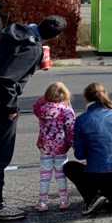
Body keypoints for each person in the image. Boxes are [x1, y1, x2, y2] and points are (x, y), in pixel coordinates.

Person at [0, 14, 67, 221]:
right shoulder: (31, 47)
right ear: (55, 38)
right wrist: (10, 108)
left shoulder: (15, 32)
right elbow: (6, 80)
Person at [63, 82, 112, 215]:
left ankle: (92, 198)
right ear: (105, 95)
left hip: (98, 174)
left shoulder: (82, 120)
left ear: (86, 98)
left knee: (69, 167)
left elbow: (79, 154)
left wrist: (90, 157)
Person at [32, 81, 75, 211]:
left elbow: (38, 103)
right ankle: (63, 199)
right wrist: (74, 145)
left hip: (45, 146)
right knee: (61, 174)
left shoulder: (41, 108)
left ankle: (43, 202)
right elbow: (71, 129)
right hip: (61, 146)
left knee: (45, 175)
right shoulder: (66, 110)